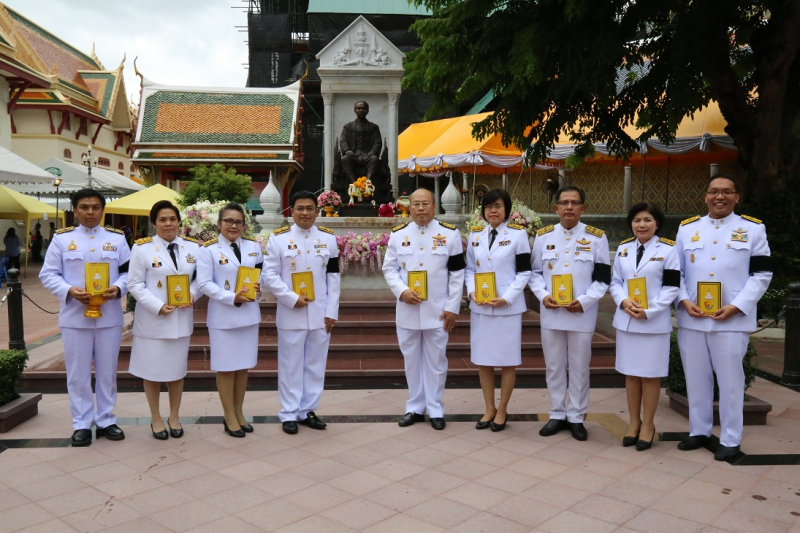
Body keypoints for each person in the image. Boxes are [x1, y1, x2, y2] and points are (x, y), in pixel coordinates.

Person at [675, 173, 772, 461]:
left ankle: (730, 438)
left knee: (730, 381)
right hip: (693, 317)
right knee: (696, 378)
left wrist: (738, 306)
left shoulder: (753, 229)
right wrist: (682, 299)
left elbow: (762, 274)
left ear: (736, 197)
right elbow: (675, 272)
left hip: (731, 319)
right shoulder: (687, 229)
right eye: (714, 191)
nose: (720, 197)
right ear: (705, 196)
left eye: (727, 192)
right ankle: (699, 430)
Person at [40, 189, 130, 446]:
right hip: (75, 317)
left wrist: (119, 289)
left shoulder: (117, 239)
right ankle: (81, 423)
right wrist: (69, 290)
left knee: (107, 372)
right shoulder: (61, 240)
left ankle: (105, 420)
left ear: (103, 210)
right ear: (75, 210)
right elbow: (48, 274)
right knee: (78, 373)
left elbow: (128, 272)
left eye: (95, 207)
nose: (90, 212)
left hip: (109, 315)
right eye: (84, 207)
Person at [528, 185, 610, 441]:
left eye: (575, 203)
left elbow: (603, 278)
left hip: (581, 313)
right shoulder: (543, 237)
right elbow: (534, 274)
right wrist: (543, 296)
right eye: (564, 203)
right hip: (551, 312)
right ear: (556, 208)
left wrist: (585, 301)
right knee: (554, 366)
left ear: (583, 208)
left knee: (579, 367)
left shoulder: (597, 237)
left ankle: (576, 416)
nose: (569, 207)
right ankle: (557, 413)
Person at [382, 188, 465, 430]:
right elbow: (389, 269)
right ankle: (415, 407)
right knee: (411, 360)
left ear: (434, 206)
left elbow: (457, 273)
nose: (420, 208)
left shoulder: (449, 234)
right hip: (407, 309)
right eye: (416, 204)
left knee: (437, 360)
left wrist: (452, 307)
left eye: (425, 203)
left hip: (438, 310)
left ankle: (435, 408)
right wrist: (401, 291)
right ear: (409, 207)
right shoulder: (399, 235)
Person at [262, 191, 341, 435]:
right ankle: (289, 412)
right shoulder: (278, 239)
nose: (305, 213)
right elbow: (269, 275)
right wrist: (291, 298)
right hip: (291, 313)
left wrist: (332, 311)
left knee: (316, 365)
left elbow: (334, 277)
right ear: (291, 211)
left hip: (320, 314)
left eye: (309, 208)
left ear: (317, 211)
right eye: (300, 208)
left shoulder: (328, 239)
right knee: (290, 365)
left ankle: (308, 410)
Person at [127, 201, 201, 440]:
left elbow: (201, 279)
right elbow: (134, 285)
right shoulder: (142, 248)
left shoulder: (192, 248)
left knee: (177, 372)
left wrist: (193, 293)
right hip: (153, 320)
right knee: (152, 373)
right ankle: (156, 418)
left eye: (172, 219)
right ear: (154, 223)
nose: (168, 224)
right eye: (162, 220)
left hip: (180, 320)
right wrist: (157, 306)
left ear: (179, 221)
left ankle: (175, 416)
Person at [609, 202, 680, 451]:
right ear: (631, 223)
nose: (642, 225)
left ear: (657, 224)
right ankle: (633, 423)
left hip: (653, 323)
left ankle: (648, 425)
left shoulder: (669, 250)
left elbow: (672, 287)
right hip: (628, 319)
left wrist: (649, 311)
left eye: (647, 220)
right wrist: (624, 300)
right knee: (631, 374)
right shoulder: (624, 249)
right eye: (637, 220)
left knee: (649, 376)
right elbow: (616, 282)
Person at [466, 189, 531, 432]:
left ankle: (502, 408)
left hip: (507, 308)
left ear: (506, 209)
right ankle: (489, 407)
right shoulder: (475, 236)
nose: (492, 210)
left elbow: (524, 272)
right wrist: (472, 291)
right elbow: (469, 270)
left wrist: (507, 298)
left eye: (498, 206)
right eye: (488, 206)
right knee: (483, 360)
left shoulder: (518, 235)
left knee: (507, 361)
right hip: (481, 307)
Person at [197, 203, 263, 438]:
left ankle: (239, 411)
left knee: (243, 367)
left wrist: (258, 288)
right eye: (229, 221)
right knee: (226, 368)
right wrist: (230, 297)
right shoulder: (208, 250)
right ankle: (228, 415)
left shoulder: (254, 247)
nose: (234, 226)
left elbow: (261, 276)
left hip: (248, 315)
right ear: (219, 224)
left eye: (238, 222)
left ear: (244, 225)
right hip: (223, 317)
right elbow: (204, 283)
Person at [339, 101, 382, 183]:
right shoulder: (348, 127)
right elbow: (343, 140)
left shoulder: (373, 127)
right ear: (355, 110)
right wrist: (347, 150)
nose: (361, 110)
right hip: (353, 155)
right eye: (359, 108)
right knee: (344, 159)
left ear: (367, 111)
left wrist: (373, 151)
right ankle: (354, 183)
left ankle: (367, 182)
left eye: (364, 108)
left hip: (367, 155)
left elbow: (377, 142)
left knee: (374, 159)